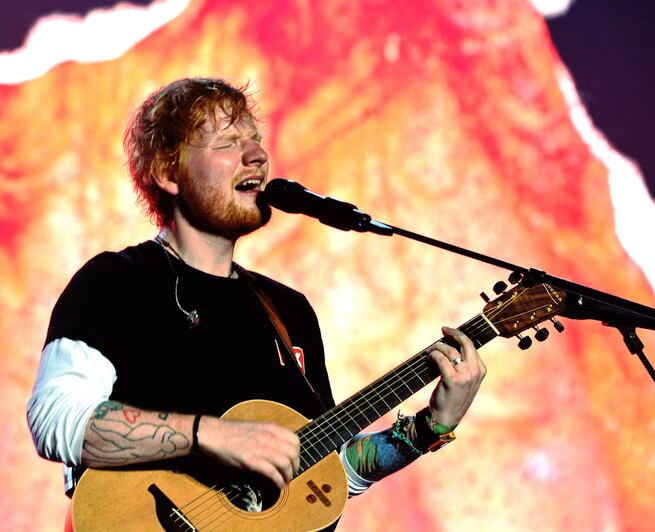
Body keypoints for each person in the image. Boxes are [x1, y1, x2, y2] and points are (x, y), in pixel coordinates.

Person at [26, 77, 486, 525]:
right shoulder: (117, 282)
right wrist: (210, 436)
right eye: (227, 143)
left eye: (256, 140)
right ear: (168, 173)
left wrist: (427, 429)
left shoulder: (289, 313)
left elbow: (322, 475)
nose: (258, 156)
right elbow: (56, 418)